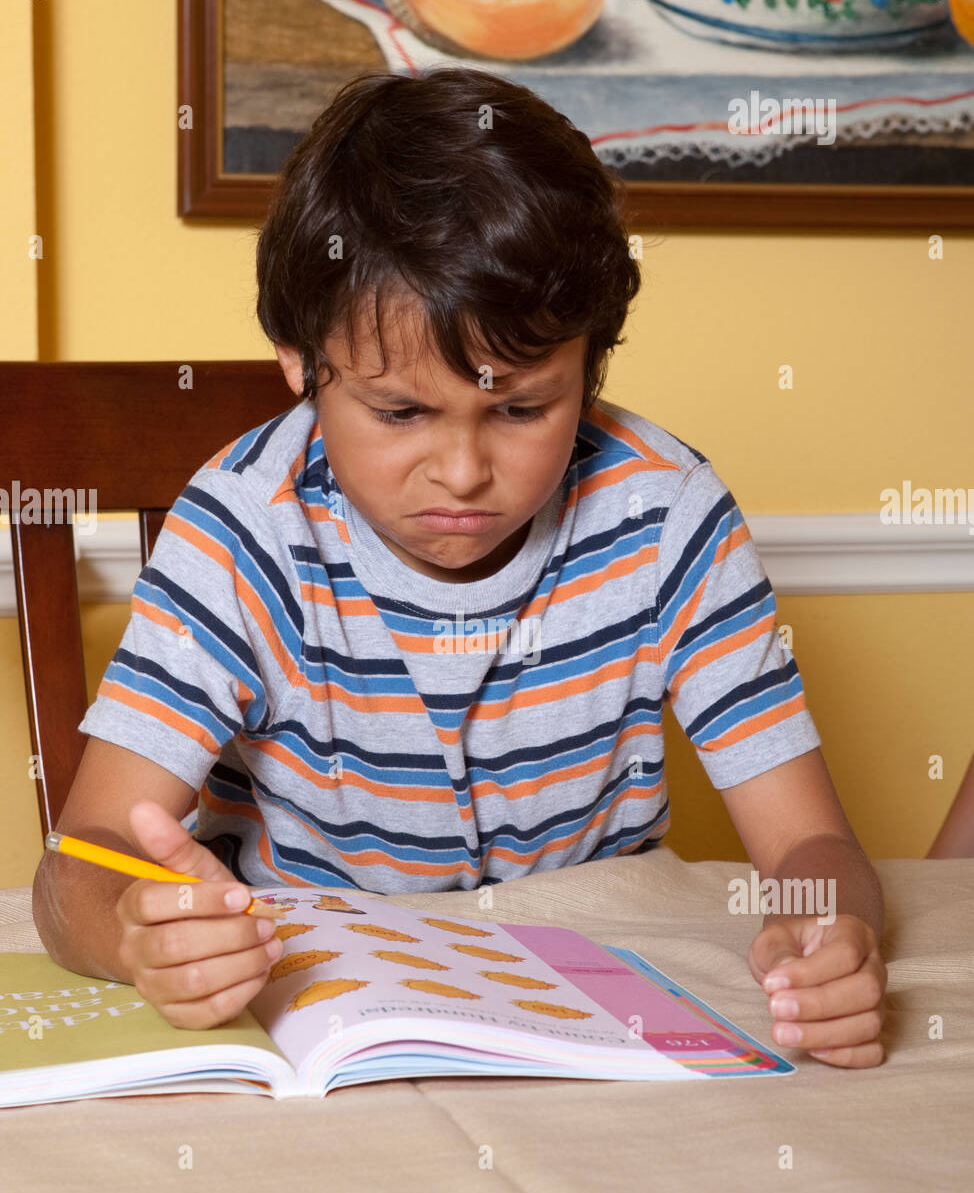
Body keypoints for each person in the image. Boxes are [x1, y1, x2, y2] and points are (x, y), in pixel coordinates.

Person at [32, 67, 886, 1066]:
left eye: (523, 409)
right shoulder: (241, 531)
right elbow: (77, 866)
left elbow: (808, 849)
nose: (463, 471)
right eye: (399, 412)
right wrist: (142, 927)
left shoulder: (665, 516)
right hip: (318, 998)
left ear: (591, 368)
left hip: (604, 999)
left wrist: (830, 931)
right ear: (300, 367)